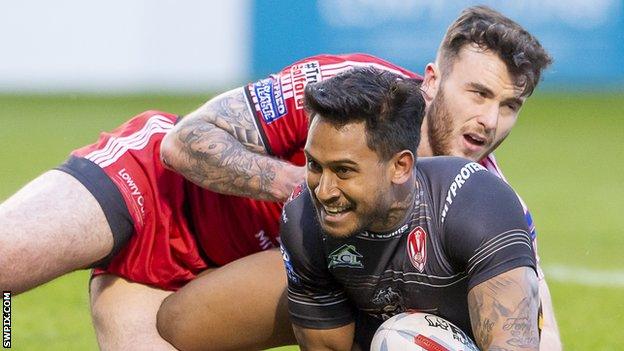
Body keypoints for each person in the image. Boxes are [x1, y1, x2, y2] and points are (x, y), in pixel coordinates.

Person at [0, 6, 558, 351]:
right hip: (157, 193)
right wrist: (312, 186)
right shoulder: (351, 89)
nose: (490, 120)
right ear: (433, 80)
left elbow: (532, 313)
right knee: (8, 261)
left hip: (221, 283)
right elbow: (185, 142)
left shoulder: (481, 198)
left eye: (510, 106)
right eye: (478, 93)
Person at [281, 65, 540, 350]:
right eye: (315, 165)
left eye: (343, 171)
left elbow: (515, 343)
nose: (323, 191)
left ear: (400, 166)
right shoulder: (303, 217)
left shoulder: (476, 202)